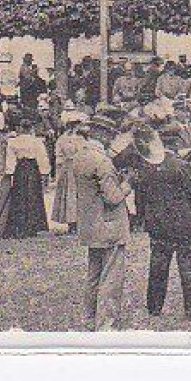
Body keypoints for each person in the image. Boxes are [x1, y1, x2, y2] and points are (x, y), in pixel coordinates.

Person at [132, 125, 191, 320]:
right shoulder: (182, 165)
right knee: (187, 266)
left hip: (158, 224)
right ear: (178, 142)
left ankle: (154, 307)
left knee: (158, 266)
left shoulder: (147, 166)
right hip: (183, 224)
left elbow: (140, 196)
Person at [73, 116, 134, 330]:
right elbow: (113, 198)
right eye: (110, 135)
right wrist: (127, 183)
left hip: (90, 225)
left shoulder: (80, 157)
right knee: (111, 279)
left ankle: (88, 319)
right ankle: (107, 324)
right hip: (109, 226)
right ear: (102, 134)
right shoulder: (103, 161)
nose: (112, 140)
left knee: (93, 276)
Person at [0, 118, 51, 239]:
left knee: (19, 195)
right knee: (32, 195)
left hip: (20, 168)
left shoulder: (13, 142)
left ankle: (19, 225)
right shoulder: (36, 142)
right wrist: (45, 172)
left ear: (20, 128)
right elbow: (42, 157)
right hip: (32, 169)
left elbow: (10, 159)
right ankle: (33, 226)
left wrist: (9, 173)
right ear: (31, 128)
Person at [50, 120, 84, 231]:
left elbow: (58, 156)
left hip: (67, 167)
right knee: (74, 194)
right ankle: (75, 222)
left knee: (69, 194)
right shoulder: (79, 139)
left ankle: (72, 223)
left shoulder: (61, 139)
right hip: (75, 167)